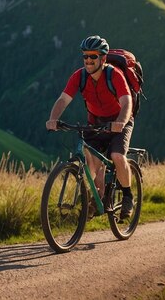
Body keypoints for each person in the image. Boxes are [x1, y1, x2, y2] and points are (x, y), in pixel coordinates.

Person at [46, 35, 134, 219]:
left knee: (117, 156)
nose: (88, 60)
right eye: (85, 56)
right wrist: (53, 118)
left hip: (119, 121)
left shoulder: (114, 75)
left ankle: (128, 196)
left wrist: (120, 123)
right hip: (95, 123)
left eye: (93, 56)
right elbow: (63, 99)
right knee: (92, 164)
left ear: (103, 58)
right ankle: (97, 199)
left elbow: (127, 102)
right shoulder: (79, 76)